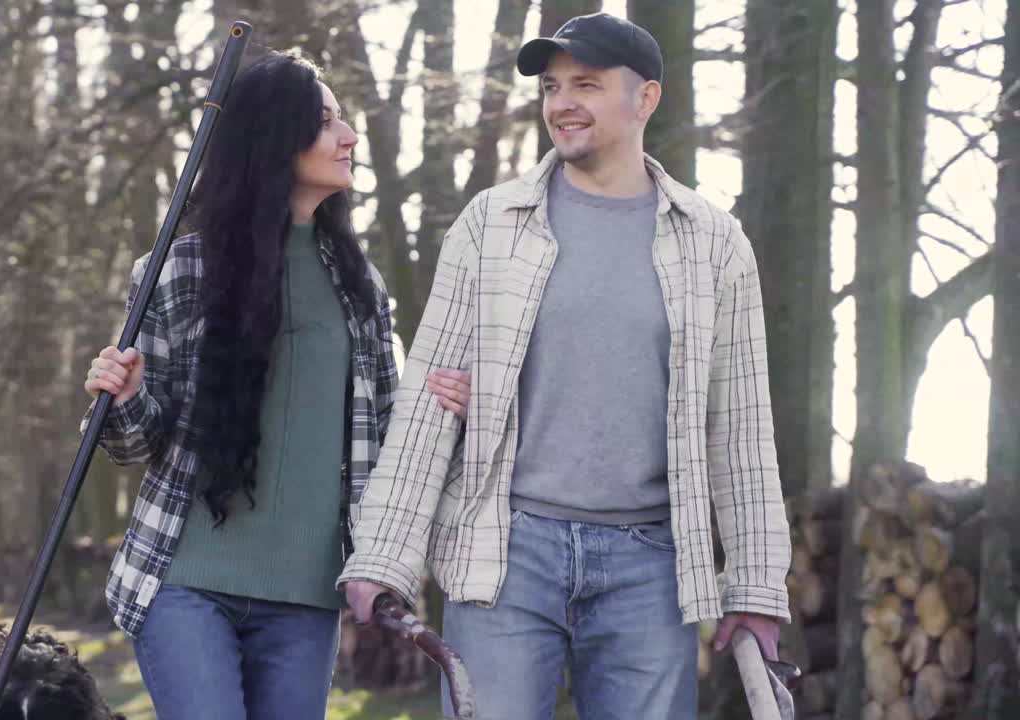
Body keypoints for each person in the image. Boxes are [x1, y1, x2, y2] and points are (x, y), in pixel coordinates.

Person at [340, 13, 791, 720]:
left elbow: (740, 432)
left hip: (652, 569)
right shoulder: (491, 226)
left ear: (644, 99)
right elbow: (429, 401)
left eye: (586, 83)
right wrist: (383, 555)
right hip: (506, 551)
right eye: (552, 87)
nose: (561, 103)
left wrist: (757, 590)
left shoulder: (714, 244)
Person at [80, 52, 469, 720]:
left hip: (305, 598)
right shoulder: (178, 268)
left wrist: (444, 410)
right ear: (272, 139)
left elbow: (385, 439)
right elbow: (134, 442)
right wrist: (121, 395)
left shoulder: (359, 287)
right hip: (185, 586)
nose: (348, 136)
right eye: (325, 123)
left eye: (344, 121)